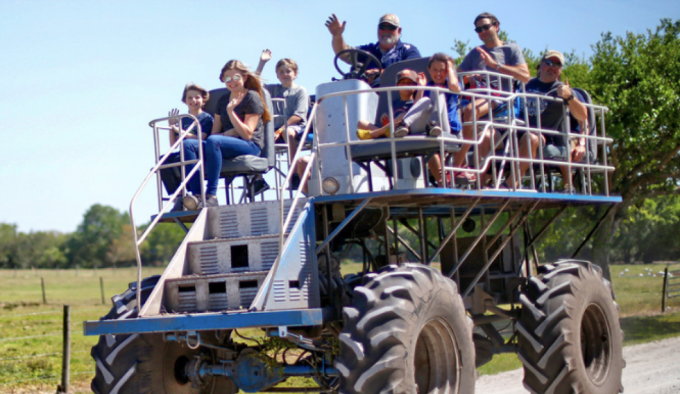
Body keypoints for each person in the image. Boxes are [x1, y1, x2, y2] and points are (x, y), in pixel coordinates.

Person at [182, 60, 271, 210]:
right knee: (188, 144)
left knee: (214, 141)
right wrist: (226, 134)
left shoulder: (252, 97)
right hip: (224, 141)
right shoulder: (223, 100)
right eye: (227, 79)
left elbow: (247, 134)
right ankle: (197, 196)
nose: (232, 82)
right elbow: (215, 133)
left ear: (244, 77)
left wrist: (231, 112)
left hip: (249, 145)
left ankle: (212, 195)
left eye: (236, 77)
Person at [454, 12, 531, 185]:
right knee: (445, 112)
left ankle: (457, 165)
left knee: (470, 110)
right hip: (475, 97)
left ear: (496, 26)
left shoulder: (511, 49)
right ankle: (464, 170)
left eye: (486, 27)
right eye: (478, 29)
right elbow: (457, 75)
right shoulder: (475, 52)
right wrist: (468, 77)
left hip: (499, 100)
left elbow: (525, 76)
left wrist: (494, 65)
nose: (483, 32)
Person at [512, 50, 587, 192]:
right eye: (549, 62)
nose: (552, 67)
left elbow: (583, 118)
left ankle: (568, 185)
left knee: (556, 133)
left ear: (560, 71)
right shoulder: (524, 85)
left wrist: (569, 97)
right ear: (540, 65)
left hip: (550, 136)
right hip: (520, 131)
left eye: (557, 65)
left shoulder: (564, 90)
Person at [325, 13, 421, 86]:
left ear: (399, 31)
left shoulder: (408, 50)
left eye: (391, 27)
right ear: (378, 29)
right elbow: (344, 53)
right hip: (365, 98)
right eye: (383, 27)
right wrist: (337, 35)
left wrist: (380, 73)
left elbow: (413, 71)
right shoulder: (368, 50)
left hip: (396, 101)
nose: (386, 31)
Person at [159, 83, 214, 211]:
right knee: (164, 159)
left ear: (203, 100)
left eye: (197, 97)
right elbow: (174, 145)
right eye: (190, 98)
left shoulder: (206, 118)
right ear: (185, 101)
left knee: (187, 150)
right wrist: (172, 128)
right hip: (185, 150)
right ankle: (179, 196)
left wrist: (178, 129)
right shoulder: (183, 120)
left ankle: (198, 194)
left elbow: (201, 137)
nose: (193, 101)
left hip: (200, 151)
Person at [355, 68, 423, 139]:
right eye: (403, 82)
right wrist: (385, 117)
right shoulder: (394, 103)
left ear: (415, 86)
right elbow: (390, 120)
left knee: (402, 116)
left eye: (410, 83)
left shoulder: (415, 102)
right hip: (390, 130)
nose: (406, 85)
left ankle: (377, 133)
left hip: (404, 130)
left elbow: (417, 108)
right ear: (397, 86)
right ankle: (382, 133)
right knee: (361, 123)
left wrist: (421, 87)